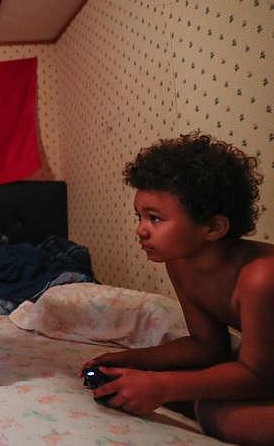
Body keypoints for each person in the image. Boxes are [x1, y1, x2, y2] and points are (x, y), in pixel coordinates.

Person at [81, 133, 274, 445]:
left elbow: (259, 377)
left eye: (155, 218)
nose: (140, 229)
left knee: (223, 417)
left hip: (264, 374)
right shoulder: (180, 263)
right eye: (140, 216)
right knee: (166, 394)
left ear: (213, 228)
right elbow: (207, 346)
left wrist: (165, 386)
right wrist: (133, 360)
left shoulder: (260, 277)